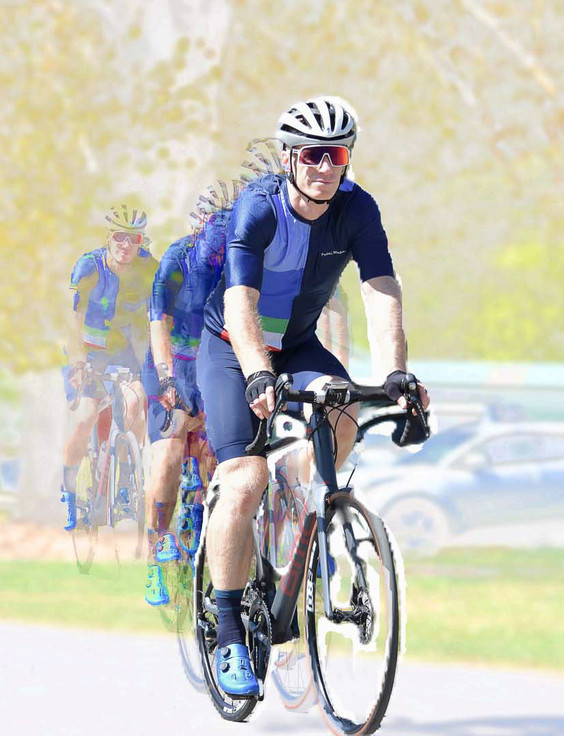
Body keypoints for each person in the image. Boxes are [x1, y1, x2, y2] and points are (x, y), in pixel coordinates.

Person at [197, 95, 430, 698]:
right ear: (289, 158)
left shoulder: (357, 209)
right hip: (232, 349)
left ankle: (300, 508)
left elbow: (381, 289)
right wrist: (256, 374)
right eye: (313, 155)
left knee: (346, 408)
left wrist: (397, 373)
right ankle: (229, 631)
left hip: (299, 346)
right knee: (245, 478)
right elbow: (240, 304)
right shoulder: (259, 208)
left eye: (338, 156)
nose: (326, 167)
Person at [139, 210, 227, 605]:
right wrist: (167, 378)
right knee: (171, 451)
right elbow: (158, 323)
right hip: (171, 363)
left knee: (215, 454)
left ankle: (203, 525)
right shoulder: (176, 260)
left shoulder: (243, 259)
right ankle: (156, 550)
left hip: (211, 364)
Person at [60, 206, 157, 532]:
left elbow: (157, 318)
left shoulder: (149, 268)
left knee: (136, 401)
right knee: (86, 416)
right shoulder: (89, 266)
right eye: (119, 237)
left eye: (134, 239)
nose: (126, 245)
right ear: (108, 237)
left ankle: (126, 481)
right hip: (87, 352)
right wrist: (77, 361)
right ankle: (69, 490)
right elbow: (72, 319)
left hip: (124, 351)